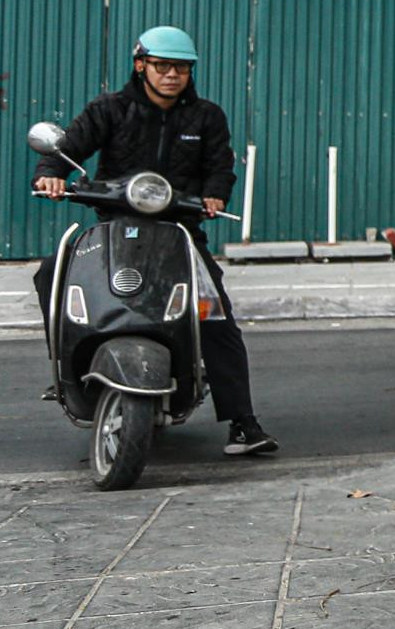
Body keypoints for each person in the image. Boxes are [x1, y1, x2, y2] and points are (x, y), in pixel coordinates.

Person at [32, 25, 279, 457]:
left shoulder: (206, 117)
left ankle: (243, 421)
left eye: (181, 68)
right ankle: (66, 369)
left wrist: (216, 192)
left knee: (215, 313)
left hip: (178, 230)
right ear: (141, 64)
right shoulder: (110, 109)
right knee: (51, 273)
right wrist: (51, 174)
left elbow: (220, 167)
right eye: (162, 66)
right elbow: (69, 147)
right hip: (112, 225)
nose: (171, 75)